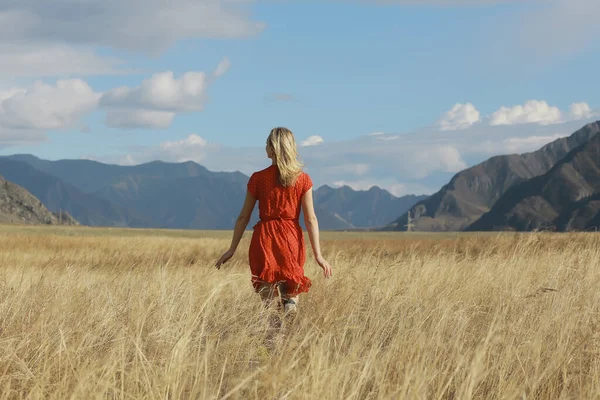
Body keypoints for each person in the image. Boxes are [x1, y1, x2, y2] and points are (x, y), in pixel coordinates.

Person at [215, 127, 333, 314]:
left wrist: (232, 249)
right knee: (291, 293)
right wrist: (318, 255)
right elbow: (311, 218)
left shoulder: (258, 179)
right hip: (291, 238)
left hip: (265, 240)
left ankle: (272, 338)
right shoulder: (303, 180)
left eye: (266, 143)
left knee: (268, 303)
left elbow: (243, 217)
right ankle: (289, 325)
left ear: (272, 149)